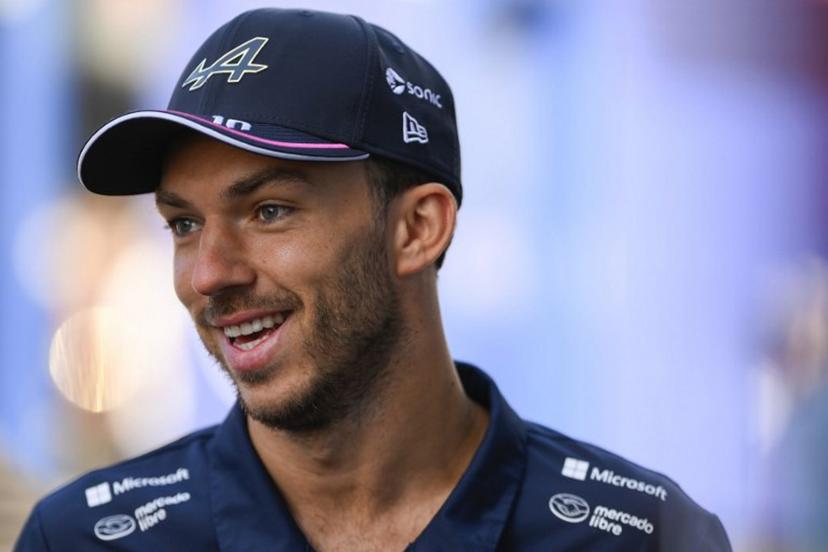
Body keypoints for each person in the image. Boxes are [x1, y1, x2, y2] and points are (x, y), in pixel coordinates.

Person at [15, 8, 731, 551]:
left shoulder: (644, 536)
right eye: (183, 224)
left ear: (418, 228)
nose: (209, 275)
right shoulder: (84, 538)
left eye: (268, 211)